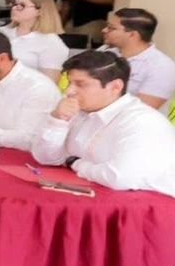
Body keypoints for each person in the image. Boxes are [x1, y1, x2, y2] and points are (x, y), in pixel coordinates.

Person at [32, 51, 175, 196]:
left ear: (115, 87)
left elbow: (119, 178)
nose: (69, 91)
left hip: (151, 203)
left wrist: (75, 163)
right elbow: (46, 158)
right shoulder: (80, 111)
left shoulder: (141, 121)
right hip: (101, 194)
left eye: (80, 84)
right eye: (69, 83)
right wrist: (58, 120)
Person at [101, 8, 175, 110]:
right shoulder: (105, 51)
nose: (104, 30)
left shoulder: (162, 67)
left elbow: (142, 111)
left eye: (111, 28)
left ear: (132, 35)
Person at [0, 0, 69, 79]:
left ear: (40, 11)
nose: (14, 8)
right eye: (14, 4)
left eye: (22, 6)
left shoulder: (51, 43)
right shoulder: (1, 32)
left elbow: (49, 82)